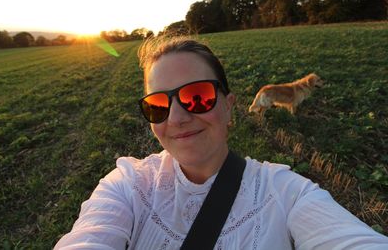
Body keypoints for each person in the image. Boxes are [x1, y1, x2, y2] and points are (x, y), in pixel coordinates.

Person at [55, 36, 388, 249]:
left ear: (229, 106)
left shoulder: (286, 193)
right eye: (158, 104)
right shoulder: (127, 186)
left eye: (197, 97)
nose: (176, 118)